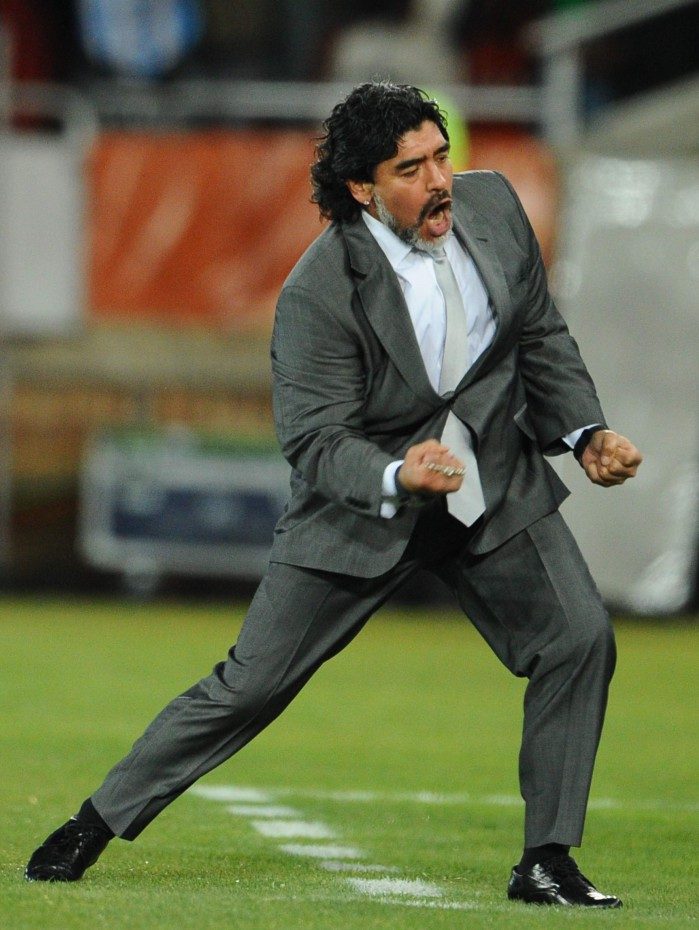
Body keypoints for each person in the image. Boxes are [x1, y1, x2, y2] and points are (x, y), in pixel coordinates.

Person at [25, 81, 642, 907]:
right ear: (361, 188)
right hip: (366, 505)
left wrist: (582, 434)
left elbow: (536, 332)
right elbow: (315, 443)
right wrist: (397, 474)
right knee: (250, 685)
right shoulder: (317, 292)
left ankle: (546, 860)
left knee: (577, 639)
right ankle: (91, 824)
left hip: (491, 487)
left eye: (440, 156)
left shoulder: (492, 206)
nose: (438, 181)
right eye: (409, 168)